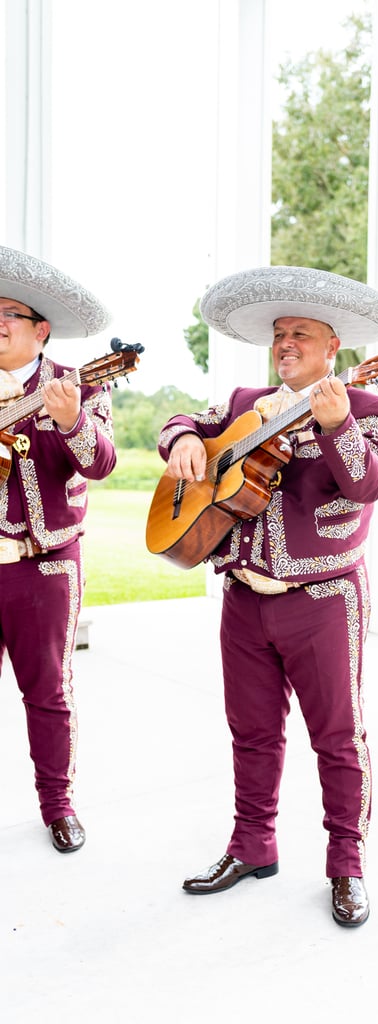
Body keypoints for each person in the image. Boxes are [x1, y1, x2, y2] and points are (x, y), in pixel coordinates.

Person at [156, 265, 378, 927]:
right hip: (243, 596)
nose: (285, 343)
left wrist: (336, 425)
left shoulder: (374, 408)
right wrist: (183, 437)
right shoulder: (245, 403)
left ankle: (347, 866)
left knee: (337, 737)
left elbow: (368, 484)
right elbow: (183, 418)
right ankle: (252, 847)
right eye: (279, 335)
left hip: (324, 599)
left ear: (334, 349)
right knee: (252, 733)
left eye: (301, 333)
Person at [0, 244, 116, 852]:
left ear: (42, 331)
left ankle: (58, 804)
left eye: (10, 313)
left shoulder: (78, 385)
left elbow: (102, 462)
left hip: (43, 565)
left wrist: (71, 421)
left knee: (47, 691)